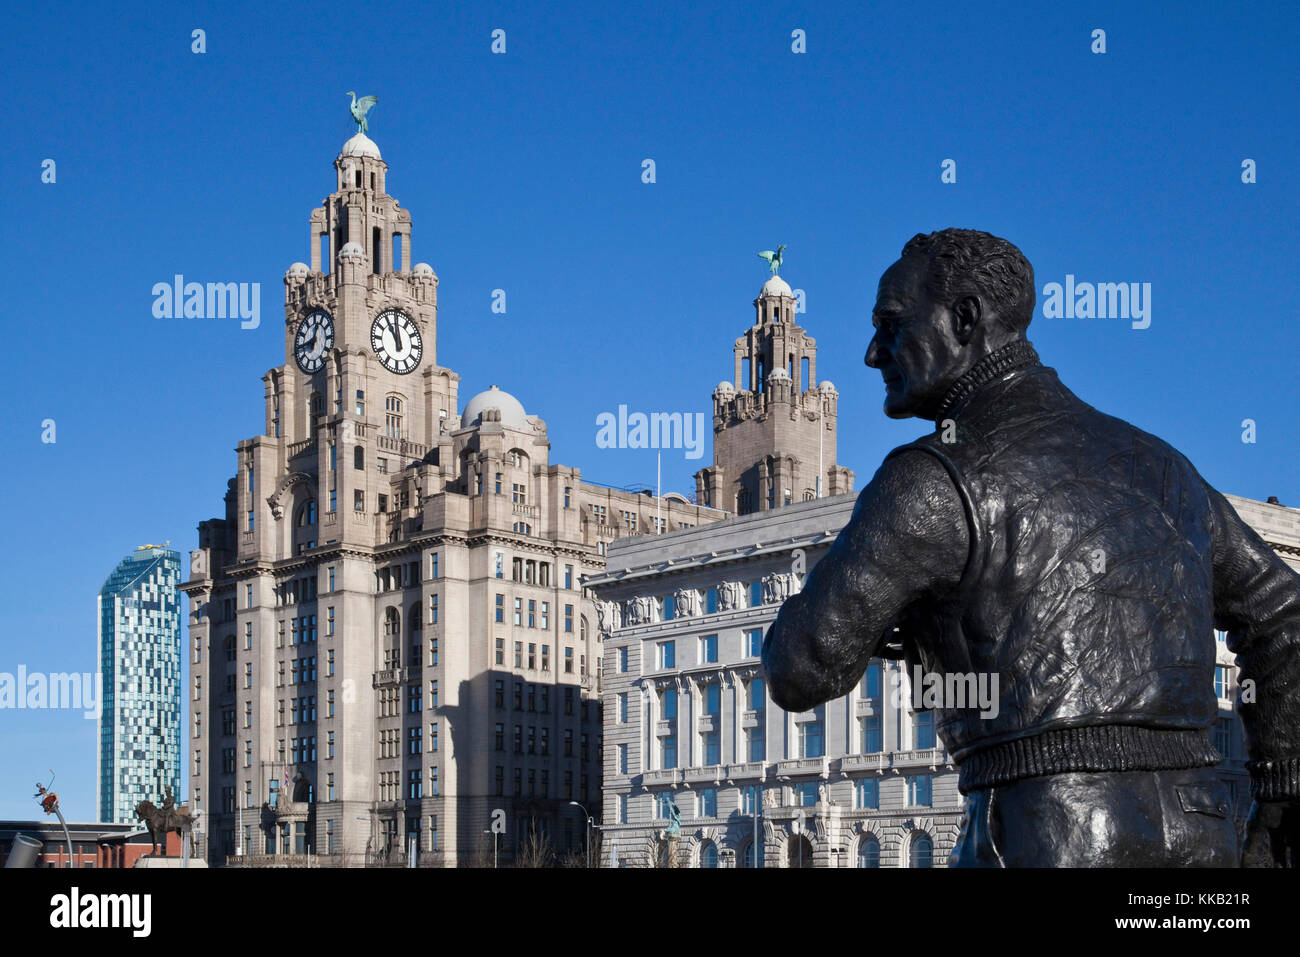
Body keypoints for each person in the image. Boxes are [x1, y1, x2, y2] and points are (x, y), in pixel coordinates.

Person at [762, 228, 1300, 866]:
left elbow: (800, 670)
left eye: (891, 325)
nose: (874, 353)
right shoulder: (1162, 465)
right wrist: (1282, 788)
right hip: (1203, 829)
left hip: (1046, 829)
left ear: (965, 320)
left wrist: (883, 615)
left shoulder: (932, 477)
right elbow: (1283, 612)